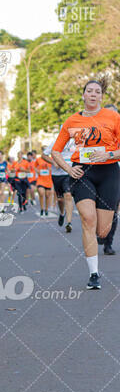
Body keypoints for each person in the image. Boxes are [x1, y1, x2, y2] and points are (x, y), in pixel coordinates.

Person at [52, 80, 120, 290]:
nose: (93, 94)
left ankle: (101, 239)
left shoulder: (113, 117)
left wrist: (108, 153)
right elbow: (55, 151)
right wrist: (68, 168)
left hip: (108, 171)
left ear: (101, 97)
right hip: (82, 172)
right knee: (88, 220)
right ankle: (94, 274)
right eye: (89, 91)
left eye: (97, 92)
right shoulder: (71, 121)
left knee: (102, 230)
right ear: (83, 95)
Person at [96, 104, 120, 255]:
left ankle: (108, 243)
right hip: (101, 174)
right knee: (98, 208)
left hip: (117, 176)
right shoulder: (98, 134)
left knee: (113, 210)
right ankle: (101, 231)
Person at [43, 137, 74, 232]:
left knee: (68, 195)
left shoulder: (75, 142)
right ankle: (62, 213)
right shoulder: (56, 142)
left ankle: (69, 223)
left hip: (68, 174)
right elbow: (43, 155)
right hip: (57, 175)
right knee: (60, 199)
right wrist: (53, 162)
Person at [34, 152, 53, 216]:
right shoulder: (38, 159)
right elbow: (34, 166)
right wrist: (37, 171)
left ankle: (46, 209)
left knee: (47, 195)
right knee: (41, 193)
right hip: (41, 180)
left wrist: (49, 169)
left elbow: (55, 168)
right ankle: (42, 208)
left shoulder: (51, 159)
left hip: (48, 180)